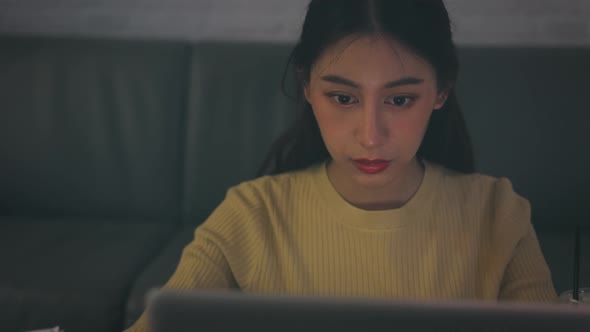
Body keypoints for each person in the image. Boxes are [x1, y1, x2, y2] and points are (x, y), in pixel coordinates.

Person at [126, 0, 556, 330]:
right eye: (344, 98)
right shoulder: (251, 215)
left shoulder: (499, 214)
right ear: (307, 86)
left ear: (441, 90)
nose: (370, 136)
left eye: (400, 99)